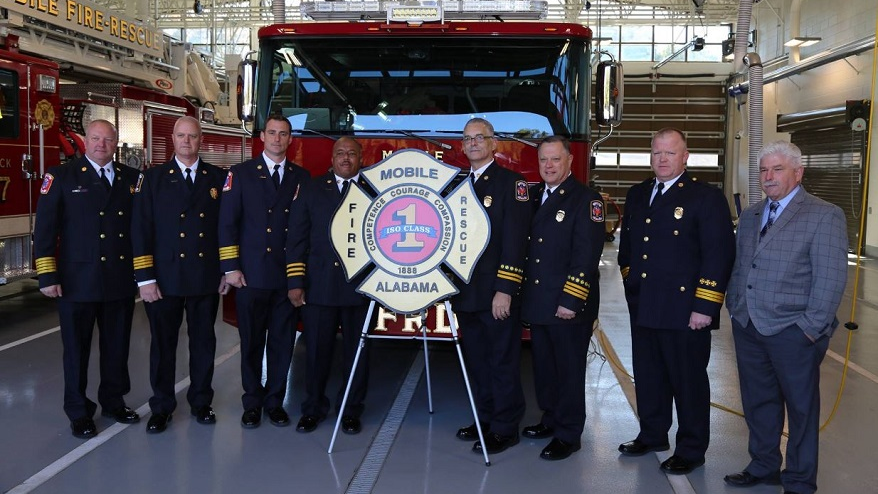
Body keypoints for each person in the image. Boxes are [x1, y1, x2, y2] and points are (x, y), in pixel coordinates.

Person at [724, 141, 847, 494]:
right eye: (764, 170)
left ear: (798, 172)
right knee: (758, 401)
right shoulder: (750, 215)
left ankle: (799, 479)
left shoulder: (824, 214)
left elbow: (830, 279)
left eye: (778, 169)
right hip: (749, 326)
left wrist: (810, 329)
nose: (769, 177)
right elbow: (741, 266)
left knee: (801, 408)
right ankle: (764, 465)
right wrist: (736, 308)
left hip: (794, 331)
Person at [617, 127, 735, 474]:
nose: (662, 159)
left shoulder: (705, 197)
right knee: (649, 376)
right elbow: (628, 249)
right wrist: (631, 285)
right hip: (645, 306)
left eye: (669, 153)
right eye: (656, 153)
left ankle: (692, 448)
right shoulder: (638, 194)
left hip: (686, 311)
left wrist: (705, 306)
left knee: (688, 382)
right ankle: (653, 433)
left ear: (685, 156)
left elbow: (719, 255)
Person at [33, 119, 141, 438]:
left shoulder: (132, 179)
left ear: (116, 143)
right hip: (76, 280)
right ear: (86, 141)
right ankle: (79, 411)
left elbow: (139, 229)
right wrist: (47, 274)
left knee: (116, 347)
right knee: (76, 350)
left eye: (107, 140)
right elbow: (45, 230)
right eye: (95, 139)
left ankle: (113, 401)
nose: (101, 145)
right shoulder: (61, 176)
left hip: (118, 278)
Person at [131, 116, 229, 433]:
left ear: (202, 140)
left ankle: (201, 402)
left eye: (193, 136)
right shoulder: (154, 179)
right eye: (181, 136)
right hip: (164, 278)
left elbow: (227, 229)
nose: (187, 141)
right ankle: (162, 406)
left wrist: (227, 269)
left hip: (205, 276)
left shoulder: (218, 178)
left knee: (203, 343)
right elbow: (141, 229)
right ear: (172, 139)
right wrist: (145, 279)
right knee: (163, 346)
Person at [218, 116, 310, 429]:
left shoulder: (301, 177)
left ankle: (275, 402)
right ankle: (252, 403)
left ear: (290, 139)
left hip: (285, 277)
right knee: (252, 344)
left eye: (283, 134)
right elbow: (227, 223)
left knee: (283, 343)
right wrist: (231, 268)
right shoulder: (240, 174)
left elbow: (303, 231)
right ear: (262, 136)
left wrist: (298, 277)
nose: (277, 138)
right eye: (272, 133)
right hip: (250, 276)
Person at [519, 136, 605, 461]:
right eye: (544, 160)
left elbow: (586, 256)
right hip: (539, 301)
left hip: (567, 305)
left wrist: (571, 300)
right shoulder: (535, 195)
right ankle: (550, 418)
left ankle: (569, 434)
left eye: (556, 159)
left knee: (568, 371)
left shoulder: (586, 200)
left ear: (569, 161)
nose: (549, 166)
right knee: (544, 368)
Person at [452, 117, 532, 455]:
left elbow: (515, 243)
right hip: (465, 292)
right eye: (467, 139)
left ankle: (505, 427)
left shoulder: (512, 185)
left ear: (494, 143)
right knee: (477, 361)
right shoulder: (455, 184)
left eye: (479, 138)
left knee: (502, 361)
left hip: (495, 293)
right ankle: (483, 419)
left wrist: (506, 289)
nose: (472, 144)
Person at [287, 137, 374, 435]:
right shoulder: (311, 189)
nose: (346, 159)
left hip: (360, 287)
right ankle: (312, 408)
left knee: (357, 355)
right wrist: (296, 282)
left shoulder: (375, 191)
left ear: (361, 158)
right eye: (340, 153)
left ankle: (351, 411)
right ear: (332, 157)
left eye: (352, 154)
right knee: (316, 353)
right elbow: (297, 238)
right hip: (319, 286)